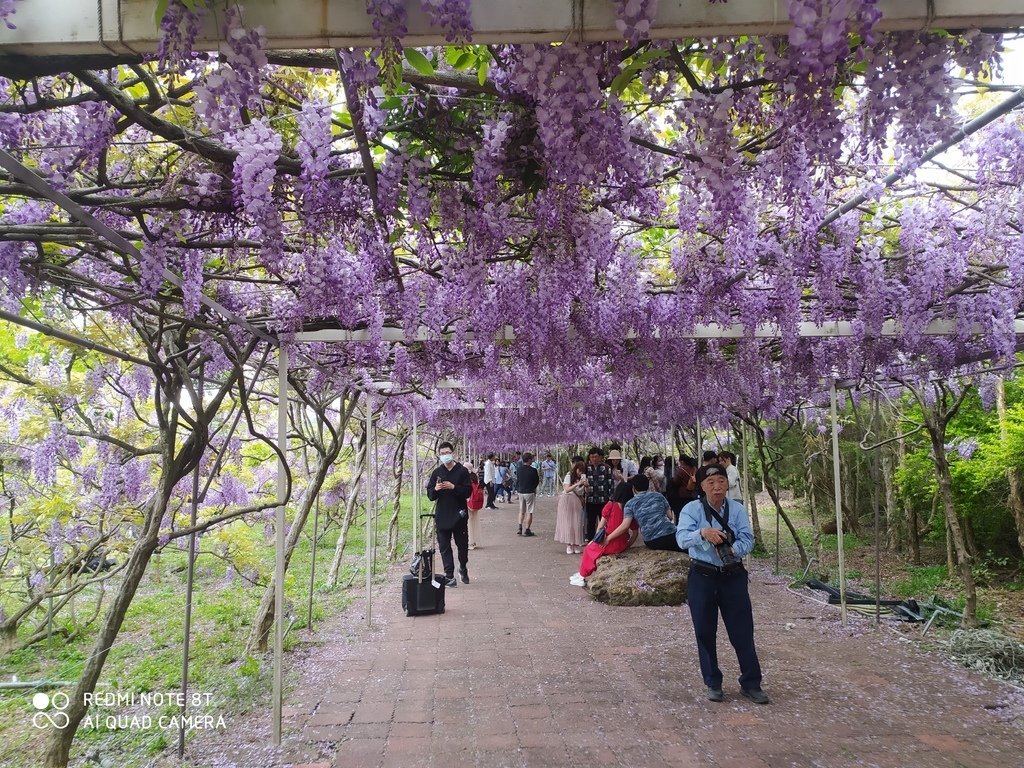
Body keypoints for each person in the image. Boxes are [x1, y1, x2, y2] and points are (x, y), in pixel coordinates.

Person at [676, 464, 769, 705]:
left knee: (742, 632)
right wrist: (702, 534)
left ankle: (751, 683)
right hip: (702, 576)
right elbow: (681, 538)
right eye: (710, 482)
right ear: (702, 486)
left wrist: (733, 550)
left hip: (732, 576)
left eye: (721, 481)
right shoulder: (691, 510)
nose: (716, 487)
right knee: (705, 631)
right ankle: (712, 682)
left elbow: (749, 539)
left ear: (727, 484)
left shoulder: (737, 510)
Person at [569, 481, 638, 586]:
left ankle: (582, 575)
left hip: (608, 541)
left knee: (589, 550)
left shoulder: (611, 505)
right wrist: (628, 545)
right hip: (621, 543)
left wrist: (595, 539)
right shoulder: (630, 509)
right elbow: (635, 532)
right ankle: (581, 574)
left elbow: (601, 525)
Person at [425, 442, 473, 587]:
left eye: (447, 452)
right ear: (439, 455)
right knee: (444, 547)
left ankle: (463, 567)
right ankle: (450, 575)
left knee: (462, 546)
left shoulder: (462, 471)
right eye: (442, 453)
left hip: (459, 515)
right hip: (443, 515)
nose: (445, 455)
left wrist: (454, 487)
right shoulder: (437, 472)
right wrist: (436, 489)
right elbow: (430, 495)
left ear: (453, 453)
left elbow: (467, 492)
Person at [624, 474, 684, 551]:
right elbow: (670, 516)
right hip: (669, 533)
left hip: (651, 540)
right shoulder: (658, 496)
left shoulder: (629, 504)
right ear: (648, 485)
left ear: (633, 488)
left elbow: (625, 525)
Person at [554, 458, 587, 554]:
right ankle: (569, 544)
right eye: (579, 470)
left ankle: (576, 544)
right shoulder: (569, 476)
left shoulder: (582, 479)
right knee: (568, 522)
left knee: (577, 522)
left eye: (582, 471)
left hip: (576, 502)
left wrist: (585, 486)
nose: (580, 473)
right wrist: (578, 483)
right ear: (576, 469)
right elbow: (567, 489)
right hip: (567, 500)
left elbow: (580, 493)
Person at [584, 447, 615, 542]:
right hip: (591, 500)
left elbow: (611, 484)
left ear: (601, 457)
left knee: (604, 522)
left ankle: (603, 540)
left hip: (603, 500)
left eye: (596, 457)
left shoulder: (606, 468)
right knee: (591, 522)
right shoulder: (586, 468)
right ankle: (591, 542)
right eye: (592, 457)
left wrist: (611, 499)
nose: (593, 459)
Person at [516, 451, 540, 536]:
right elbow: (536, 481)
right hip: (530, 492)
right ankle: (527, 529)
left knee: (521, 511)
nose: (533, 461)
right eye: (532, 459)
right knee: (529, 511)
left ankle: (519, 528)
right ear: (529, 460)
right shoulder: (533, 470)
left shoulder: (519, 469)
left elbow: (518, 480)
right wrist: (533, 488)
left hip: (520, 492)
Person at [466, 463, 484, 549]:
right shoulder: (474, 478)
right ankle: (474, 541)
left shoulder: (467, 479)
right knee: (474, 522)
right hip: (474, 503)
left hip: (468, 503)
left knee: (468, 523)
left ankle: (470, 542)